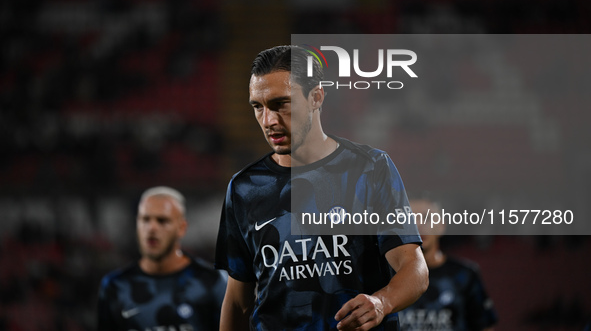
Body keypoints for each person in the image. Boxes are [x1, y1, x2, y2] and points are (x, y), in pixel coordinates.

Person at [215, 45, 429, 330]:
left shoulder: (370, 168)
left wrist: (382, 302)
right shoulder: (244, 188)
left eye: (281, 104)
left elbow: (414, 269)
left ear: (316, 96)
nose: (269, 121)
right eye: (258, 107)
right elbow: (238, 301)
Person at [97, 186, 227, 331]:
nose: (152, 228)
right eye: (145, 219)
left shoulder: (212, 281)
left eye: (162, 220)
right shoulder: (115, 286)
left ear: (181, 228)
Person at [399, 198, 498, 331]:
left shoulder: (464, 275)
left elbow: (484, 326)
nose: (419, 225)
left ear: (441, 225)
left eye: (426, 218)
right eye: (410, 219)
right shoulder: (385, 275)